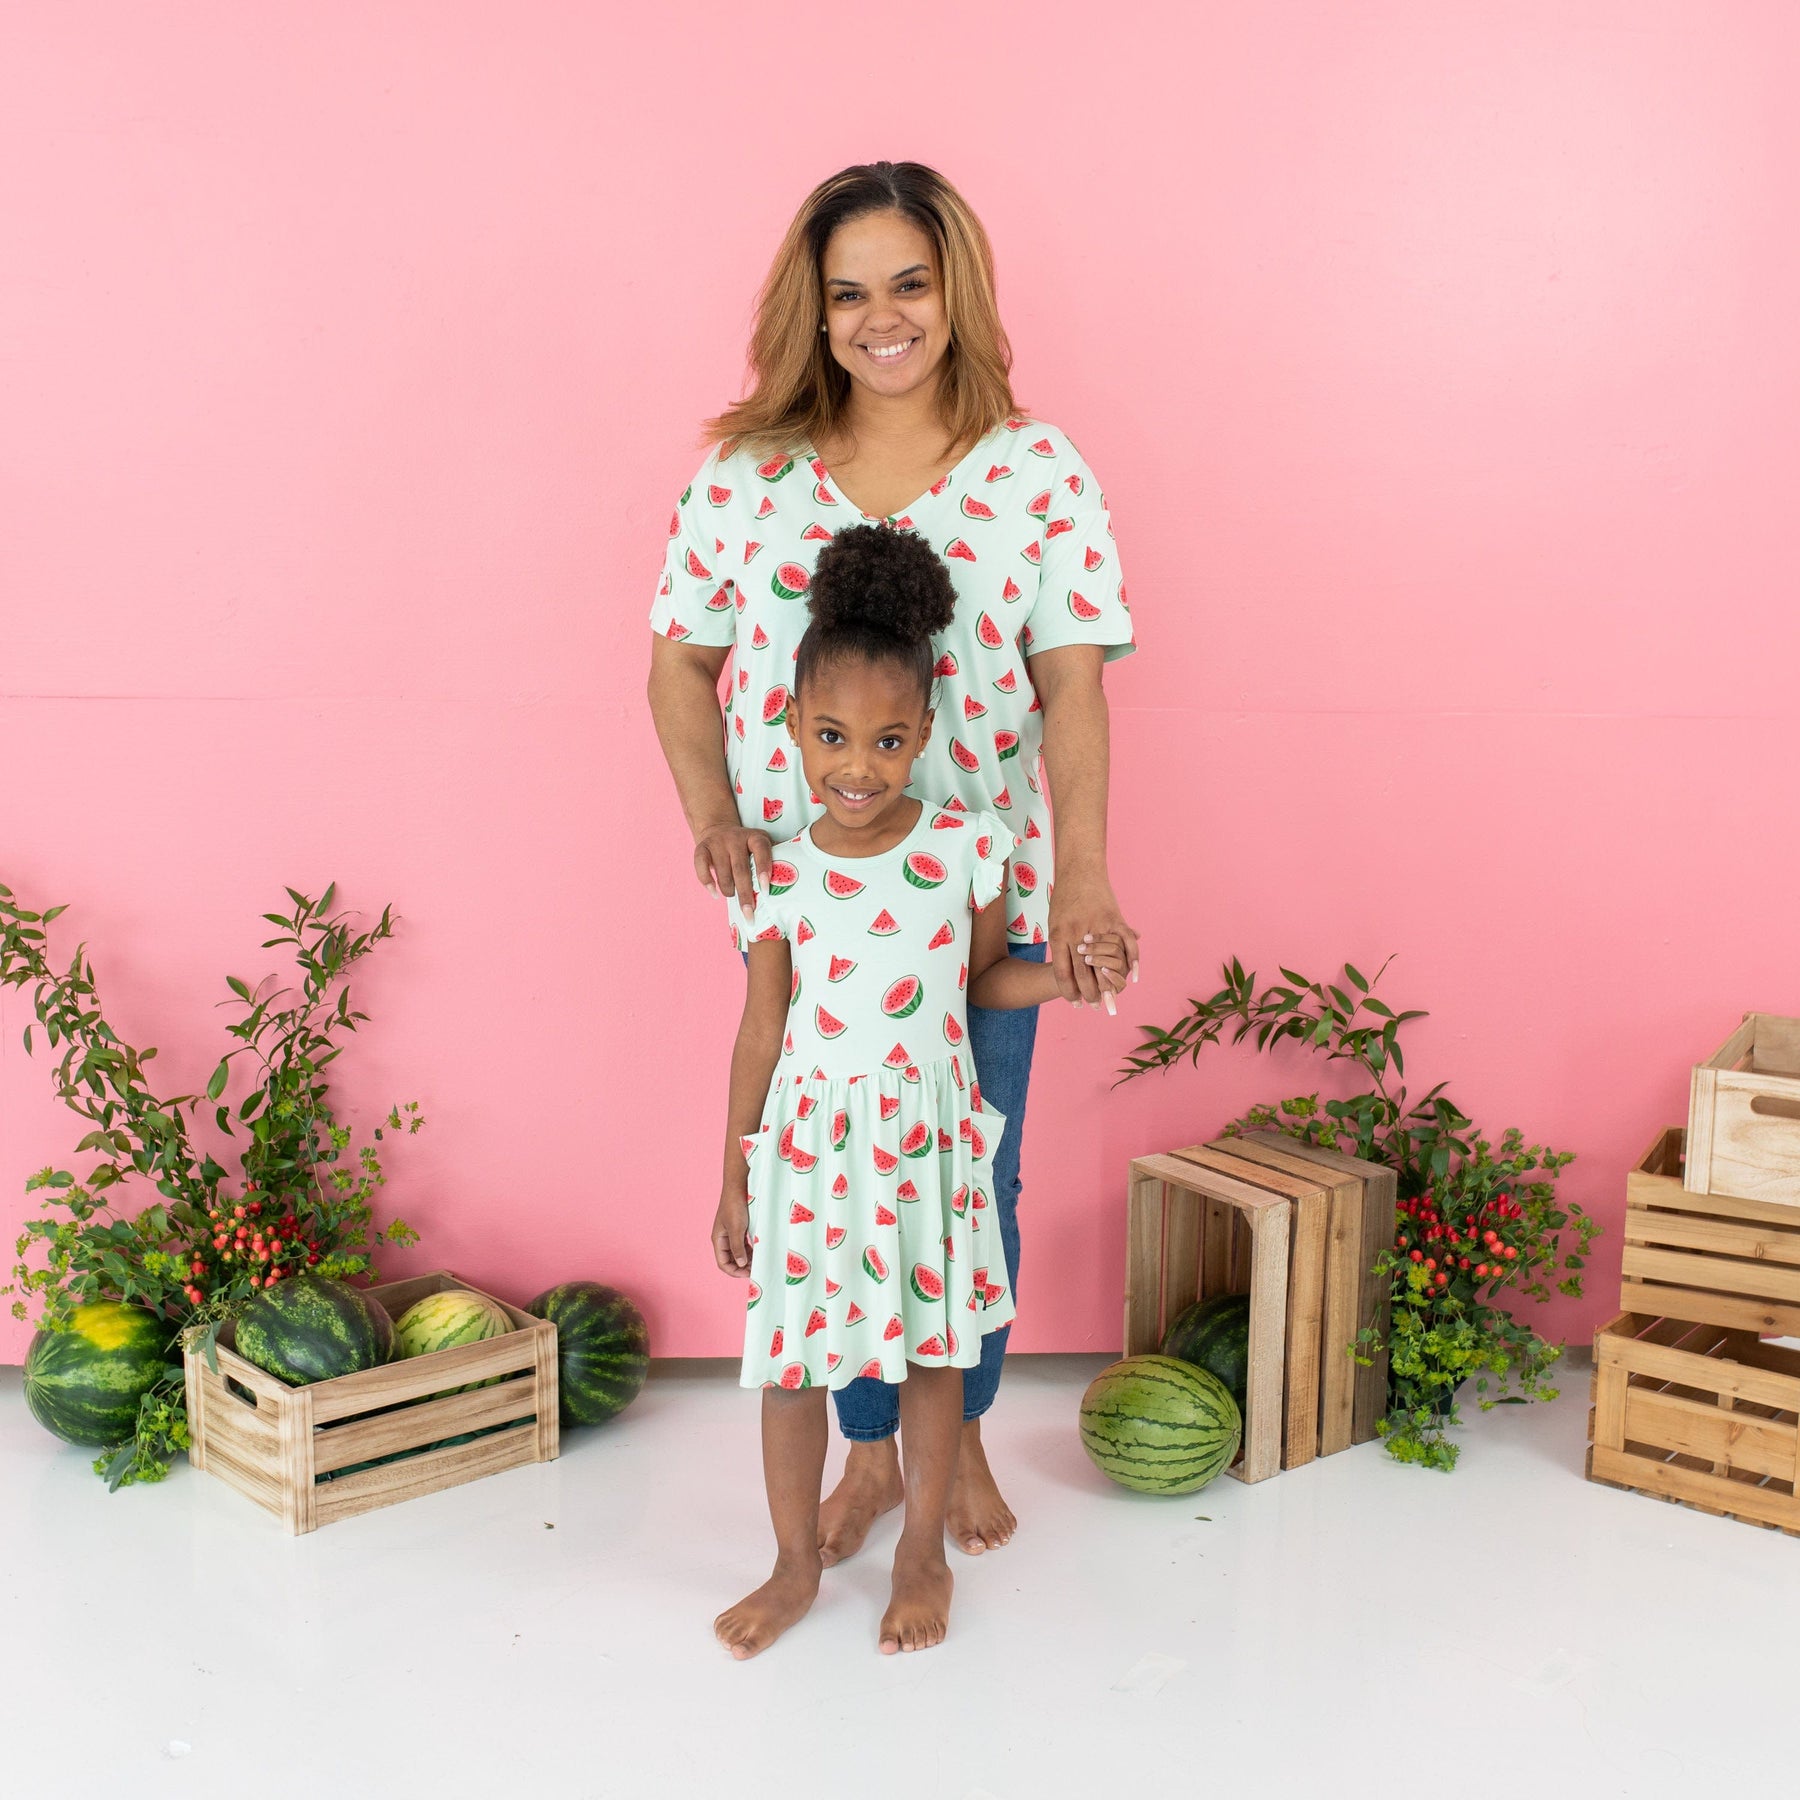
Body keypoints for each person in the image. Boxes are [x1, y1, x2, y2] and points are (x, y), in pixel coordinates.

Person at [648, 159, 1139, 1562]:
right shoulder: (742, 477)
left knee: (971, 1173)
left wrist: (1087, 881)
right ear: (813, 308)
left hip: (976, 913)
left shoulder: (1036, 473)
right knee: (831, 1180)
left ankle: (955, 1434)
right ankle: (867, 1457)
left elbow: (1078, 689)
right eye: (848, 291)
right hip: (808, 902)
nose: (880, 317)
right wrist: (714, 819)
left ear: (955, 290)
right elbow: (676, 670)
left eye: (908, 284)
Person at [711, 525, 1127, 1659]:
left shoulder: (965, 849)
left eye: (889, 741)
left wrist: (1073, 976)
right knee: (796, 1364)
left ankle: (918, 1552)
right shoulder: (778, 872)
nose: (858, 765)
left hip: (929, 1143)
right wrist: (735, 1176)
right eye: (833, 737)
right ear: (791, 727)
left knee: (933, 1350)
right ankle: (795, 1565)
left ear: (926, 735)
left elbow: (989, 981)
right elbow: (762, 1029)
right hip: (810, 1149)